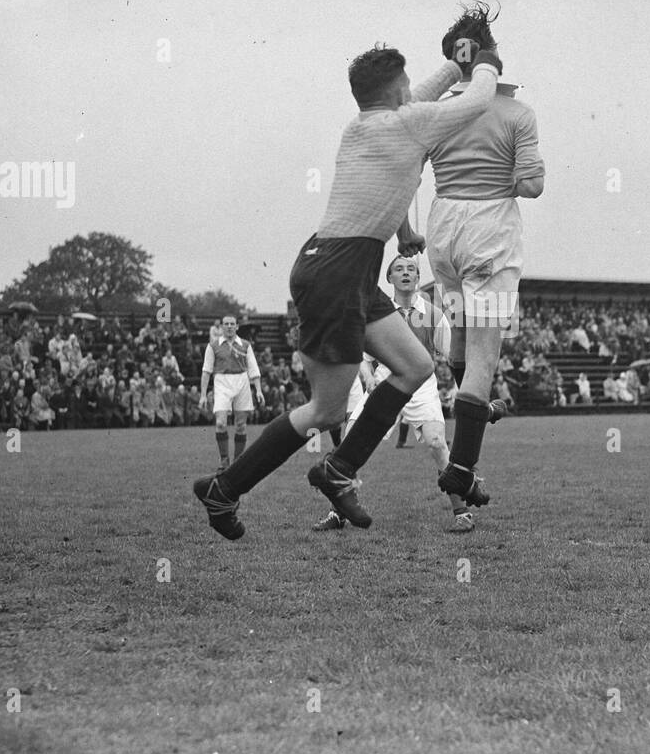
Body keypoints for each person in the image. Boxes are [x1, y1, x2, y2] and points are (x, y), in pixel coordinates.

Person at [192, 32, 502, 540]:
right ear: (397, 94)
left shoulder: (364, 125)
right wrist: (485, 61)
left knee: (416, 366)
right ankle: (224, 489)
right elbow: (479, 99)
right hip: (338, 272)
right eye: (406, 85)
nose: (412, 90)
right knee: (326, 409)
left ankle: (336, 470)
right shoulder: (406, 122)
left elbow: (419, 97)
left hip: (342, 266)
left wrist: (453, 61)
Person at [422, 4, 544, 508]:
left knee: (462, 330)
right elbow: (531, 186)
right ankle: (462, 469)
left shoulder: (437, 110)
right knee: (484, 357)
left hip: (442, 229)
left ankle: (471, 408)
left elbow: (410, 166)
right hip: (489, 229)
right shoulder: (516, 112)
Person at [312, 255, 472, 532]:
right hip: (386, 382)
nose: (406, 273)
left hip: (421, 384)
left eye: (411, 269)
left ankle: (462, 513)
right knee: (350, 440)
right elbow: (361, 355)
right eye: (399, 269)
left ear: (418, 277)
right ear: (389, 278)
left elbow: (453, 355)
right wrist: (367, 376)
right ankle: (338, 512)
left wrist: (463, 385)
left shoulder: (433, 314)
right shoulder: (379, 313)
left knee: (436, 443)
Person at [199, 315, 264, 470]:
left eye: (232, 324)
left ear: (237, 326)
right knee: (221, 423)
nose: (229, 326)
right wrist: (202, 395)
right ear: (222, 327)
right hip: (221, 381)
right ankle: (224, 460)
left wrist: (259, 390)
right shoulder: (213, 346)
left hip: (242, 381)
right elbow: (206, 371)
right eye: (226, 324)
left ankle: (237, 462)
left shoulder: (246, 345)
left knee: (241, 425)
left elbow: (254, 370)